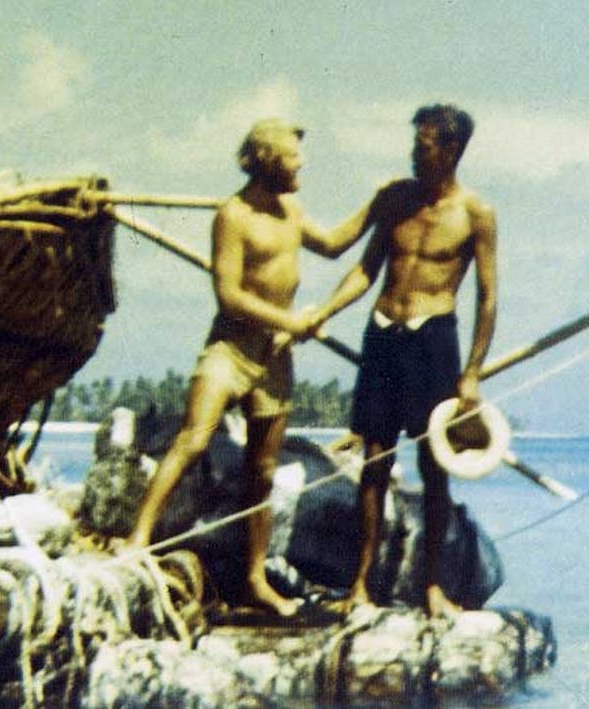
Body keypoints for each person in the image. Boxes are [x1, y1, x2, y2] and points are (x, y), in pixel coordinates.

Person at [124, 118, 369, 617]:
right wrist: (290, 321)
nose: (302, 165)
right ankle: (137, 539)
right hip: (230, 350)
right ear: (266, 161)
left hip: (275, 358)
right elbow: (229, 295)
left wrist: (380, 205)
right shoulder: (232, 215)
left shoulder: (291, 209)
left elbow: (333, 244)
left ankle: (255, 579)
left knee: (262, 470)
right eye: (293, 157)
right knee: (194, 438)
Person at [313, 104, 498, 618]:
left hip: (433, 341)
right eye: (414, 145)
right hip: (383, 334)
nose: (414, 155)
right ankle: (361, 582)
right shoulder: (396, 199)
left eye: (424, 147)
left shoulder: (476, 213)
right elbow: (365, 269)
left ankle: (432, 586)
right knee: (374, 458)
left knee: (434, 466)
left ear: (451, 150)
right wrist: (323, 312)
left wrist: (473, 372)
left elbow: (487, 298)